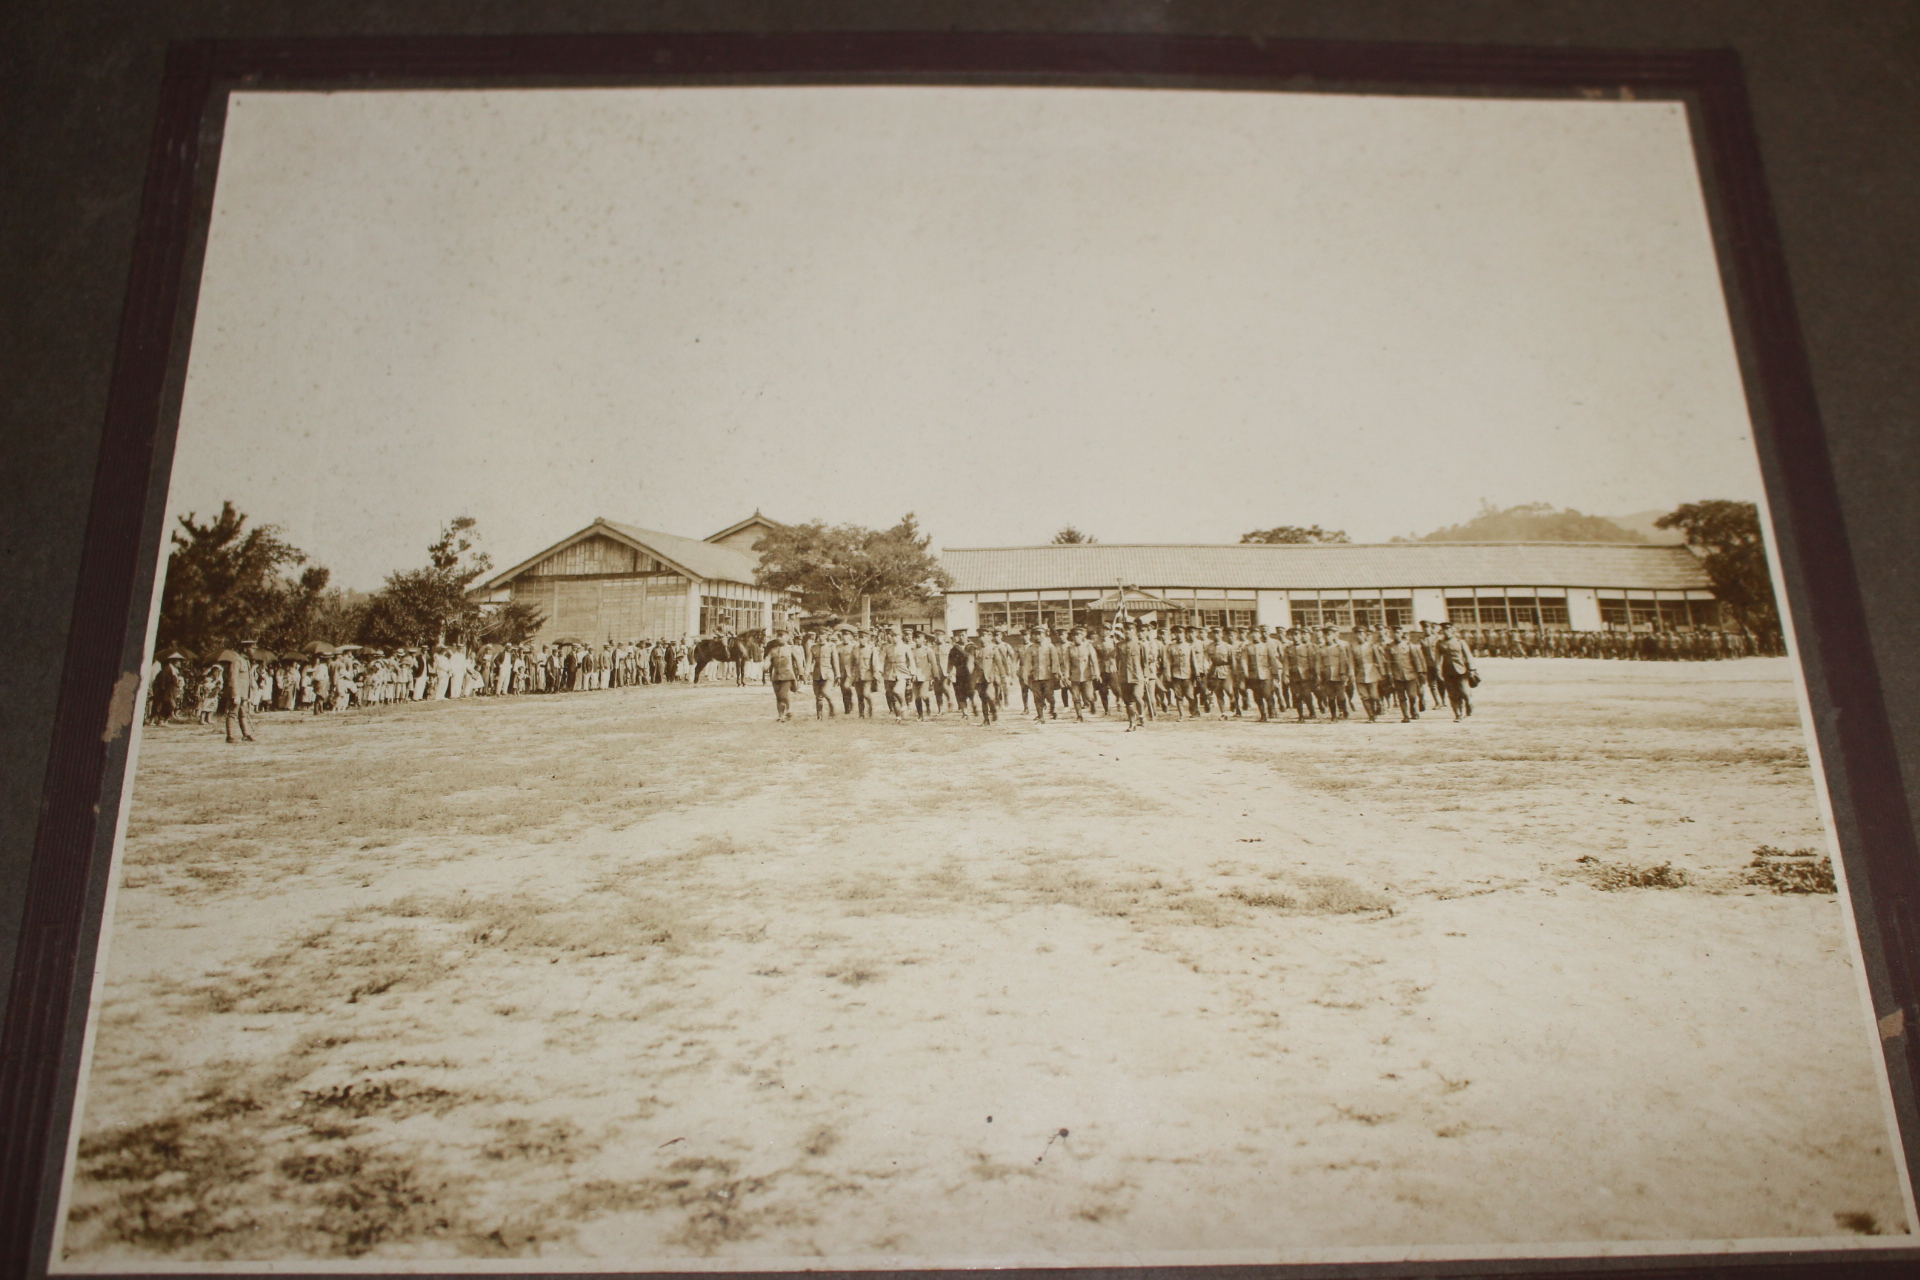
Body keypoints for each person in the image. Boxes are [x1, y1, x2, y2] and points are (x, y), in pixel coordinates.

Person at [1434, 621, 1477, 720]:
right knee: (1452, 694)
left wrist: (1471, 669)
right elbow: (1437, 659)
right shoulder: (1440, 643)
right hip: (1447, 672)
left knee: (1464, 692)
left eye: (1448, 629)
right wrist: (1438, 671)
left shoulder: (1460, 642)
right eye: (1444, 630)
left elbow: (1468, 656)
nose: (1446, 632)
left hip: (1461, 670)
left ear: (1452, 630)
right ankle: (1458, 714)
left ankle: (1469, 703)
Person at [219, 642, 256, 743]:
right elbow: (233, 678)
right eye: (252, 648)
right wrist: (235, 695)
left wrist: (247, 695)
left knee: (243, 714)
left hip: (243, 694)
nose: (254, 651)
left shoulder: (246, 662)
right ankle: (230, 736)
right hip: (237, 694)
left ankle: (246, 734)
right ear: (245, 649)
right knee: (232, 713)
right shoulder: (237, 661)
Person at [764, 631, 804, 722]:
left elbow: (798, 661)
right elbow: (768, 659)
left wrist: (801, 673)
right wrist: (765, 665)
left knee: (783, 694)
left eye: (781, 636)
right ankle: (780, 715)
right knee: (778, 696)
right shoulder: (773, 650)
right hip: (776, 676)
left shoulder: (791, 649)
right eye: (778, 636)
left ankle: (790, 710)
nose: (779, 638)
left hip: (787, 675)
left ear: (787, 638)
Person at [807, 629, 842, 719]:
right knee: (818, 696)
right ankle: (819, 715)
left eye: (823, 635)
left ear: (826, 636)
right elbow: (809, 661)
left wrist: (837, 675)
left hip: (828, 674)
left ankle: (832, 707)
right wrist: (806, 672)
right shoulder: (814, 647)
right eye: (819, 635)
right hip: (817, 674)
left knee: (825, 691)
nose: (821, 637)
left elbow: (835, 662)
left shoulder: (831, 646)